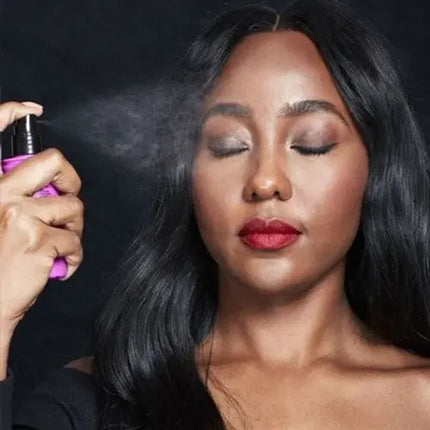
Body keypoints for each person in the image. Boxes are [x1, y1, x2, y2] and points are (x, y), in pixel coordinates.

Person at [1, 0, 430, 428]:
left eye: (310, 143)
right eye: (228, 145)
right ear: (186, 175)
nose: (265, 181)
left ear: (376, 167)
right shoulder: (89, 405)